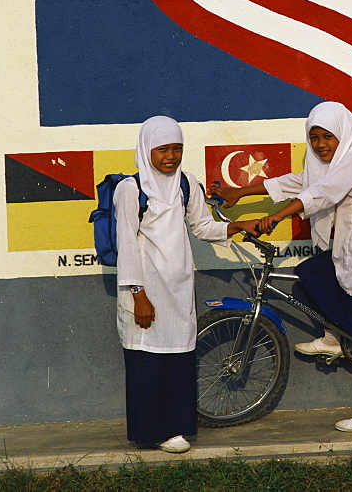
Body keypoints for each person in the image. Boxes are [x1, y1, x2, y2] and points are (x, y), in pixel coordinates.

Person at [213, 102, 352, 433]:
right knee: (311, 274)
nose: (321, 145)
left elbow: (321, 193)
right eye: (314, 137)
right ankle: (333, 336)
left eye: (328, 136)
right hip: (344, 253)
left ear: (343, 134)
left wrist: (276, 216)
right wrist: (240, 192)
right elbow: (298, 182)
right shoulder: (327, 164)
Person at [116, 116, 260, 453]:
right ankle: (152, 432)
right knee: (147, 359)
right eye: (162, 149)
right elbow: (126, 243)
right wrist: (139, 295)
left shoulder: (186, 183)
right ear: (146, 149)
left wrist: (239, 225)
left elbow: (204, 227)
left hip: (179, 288)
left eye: (177, 148)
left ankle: (177, 429)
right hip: (145, 290)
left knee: (178, 356)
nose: (170, 156)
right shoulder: (130, 189)